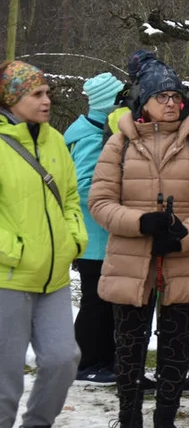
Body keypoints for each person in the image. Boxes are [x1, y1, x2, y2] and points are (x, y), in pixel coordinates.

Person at [89, 60, 189, 428]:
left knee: (175, 345)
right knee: (129, 346)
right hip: (130, 262)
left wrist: (183, 235)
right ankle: (128, 424)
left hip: (183, 260)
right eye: (161, 96)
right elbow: (99, 202)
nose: (171, 103)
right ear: (142, 103)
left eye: (176, 96)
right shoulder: (120, 142)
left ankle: (166, 422)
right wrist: (140, 222)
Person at [0, 61, 86, 428]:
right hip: (7, 277)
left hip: (53, 276)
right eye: (37, 94)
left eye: (48, 92)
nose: (47, 100)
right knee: (5, 369)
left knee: (63, 358)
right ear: (12, 99)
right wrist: (13, 251)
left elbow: (70, 195)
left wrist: (74, 238)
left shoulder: (54, 140)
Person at [65, 72, 127, 385]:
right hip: (95, 235)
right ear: (109, 103)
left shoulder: (87, 129)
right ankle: (87, 361)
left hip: (96, 235)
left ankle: (102, 359)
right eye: (121, 98)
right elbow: (84, 185)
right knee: (95, 302)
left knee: (101, 301)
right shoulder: (91, 135)